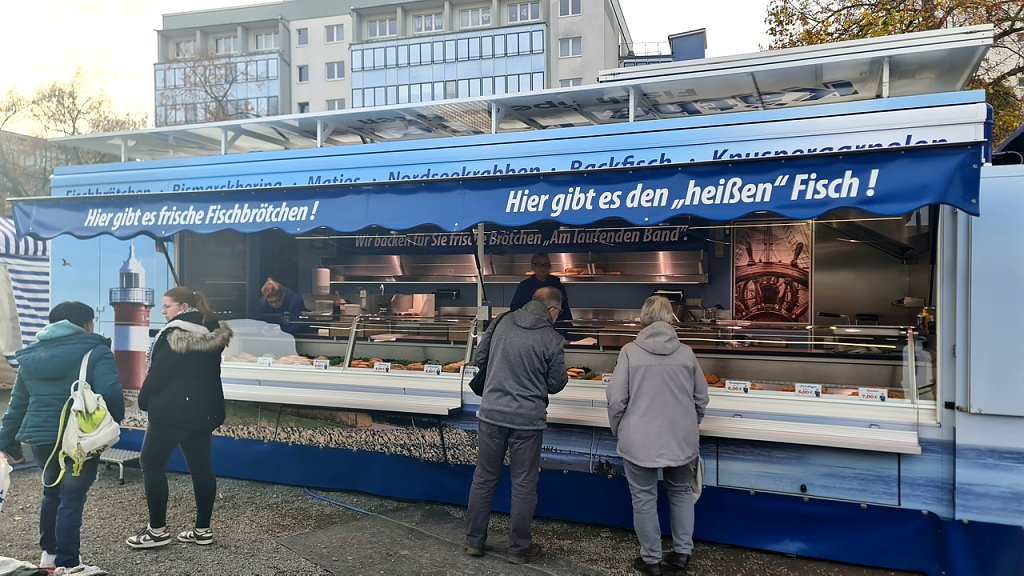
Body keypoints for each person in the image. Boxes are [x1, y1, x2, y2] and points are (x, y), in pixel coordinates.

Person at [0, 301, 124, 576]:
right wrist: (110, 424)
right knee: (72, 497)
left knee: (51, 492)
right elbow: (112, 393)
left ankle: (49, 555)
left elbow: (17, 404)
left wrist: (4, 439)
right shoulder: (96, 351)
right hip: (79, 439)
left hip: (41, 439)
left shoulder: (33, 355)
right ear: (87, 324)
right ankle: (68, 563)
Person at [606, 296, 709, 576]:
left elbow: (616, 400)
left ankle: (651, 560)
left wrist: (619, 428)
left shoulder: (629, 352)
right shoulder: (686, 352)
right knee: (681, 493)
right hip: (681, 439)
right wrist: (690, 424)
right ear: (670, 319)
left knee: (643, 498)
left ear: (643, 319)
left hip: (639, 440)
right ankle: (682, 554)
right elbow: (701, 398)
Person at [465, 286, 568, 564]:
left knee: (484, 478)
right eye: (558, 313)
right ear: (552, 310)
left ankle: (474, 541)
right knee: (523, 483)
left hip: (492, 414)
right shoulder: (551, 338)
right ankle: (519, 550)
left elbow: (479, 359)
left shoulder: (501, 321)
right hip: (527, 420)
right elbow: (557, 383)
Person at [126, 287, 232, 550]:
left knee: (151, 463)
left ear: (183, 306)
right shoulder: (211, 331)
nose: (163, 311)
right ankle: (202, 530)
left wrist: (143, 399)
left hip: (171, 411)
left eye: (167, 306)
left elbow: (159, 374)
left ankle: (157, 531)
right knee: (201, 467)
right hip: (204, 410)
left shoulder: (174, 333)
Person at [509, 253, 572, 322]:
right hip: (531, 324)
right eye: (538, 264)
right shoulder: (524, 286)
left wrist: (568, 325)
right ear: (532, 266)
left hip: (555, 324)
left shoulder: (557, 284)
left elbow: (565, 308)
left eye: (546, 264)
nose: (542, 267)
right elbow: (515, 309)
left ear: (550, 266)